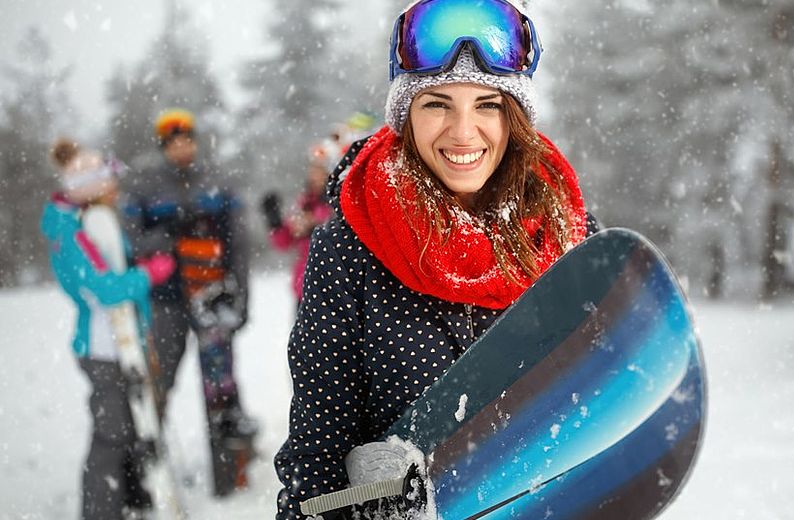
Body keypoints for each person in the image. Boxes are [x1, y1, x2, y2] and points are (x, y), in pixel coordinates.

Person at [273, 1, 598, 517]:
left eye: (488, 104)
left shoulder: (569, 237)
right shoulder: (351, 247)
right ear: (406, 113)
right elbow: (315, 461)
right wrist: (366, 499)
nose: (463, 132)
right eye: (437, 104)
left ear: (516, 117)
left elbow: (608, 416)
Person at [121, 109, 258, 496]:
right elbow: (129, 239)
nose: (181, 148)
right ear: (163, 147)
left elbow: (239, 243)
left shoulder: (218, 183)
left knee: (221, 386)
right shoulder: (146, 187)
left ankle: (231, 472)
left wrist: (241, 297)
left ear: (195, 141)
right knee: (159, 381)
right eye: (173, 143)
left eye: (186, 140)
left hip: (213, 298)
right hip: (166, 303)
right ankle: (142, 474)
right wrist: (165, 241)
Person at [41, 139, 176, 519]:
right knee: (111, 435)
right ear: (90, 185)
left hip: (122, 343)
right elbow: (102, 288)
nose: (115, 189)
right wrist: (148, 274)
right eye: (109, 181)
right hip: (103, 347)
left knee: (131, 429)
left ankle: (132, 501)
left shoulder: (89, 220)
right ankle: (101, 510)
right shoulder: (72, 229)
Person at [261, 146, 334, 305]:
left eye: (319, 169)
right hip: (305, 286)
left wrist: (313, 222)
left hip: (332, 285)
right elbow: (284, 242)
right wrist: (274, 221)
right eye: (312, 169)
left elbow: (331, 221)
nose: (314, 175)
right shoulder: (305, 201)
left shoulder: (339, 201)